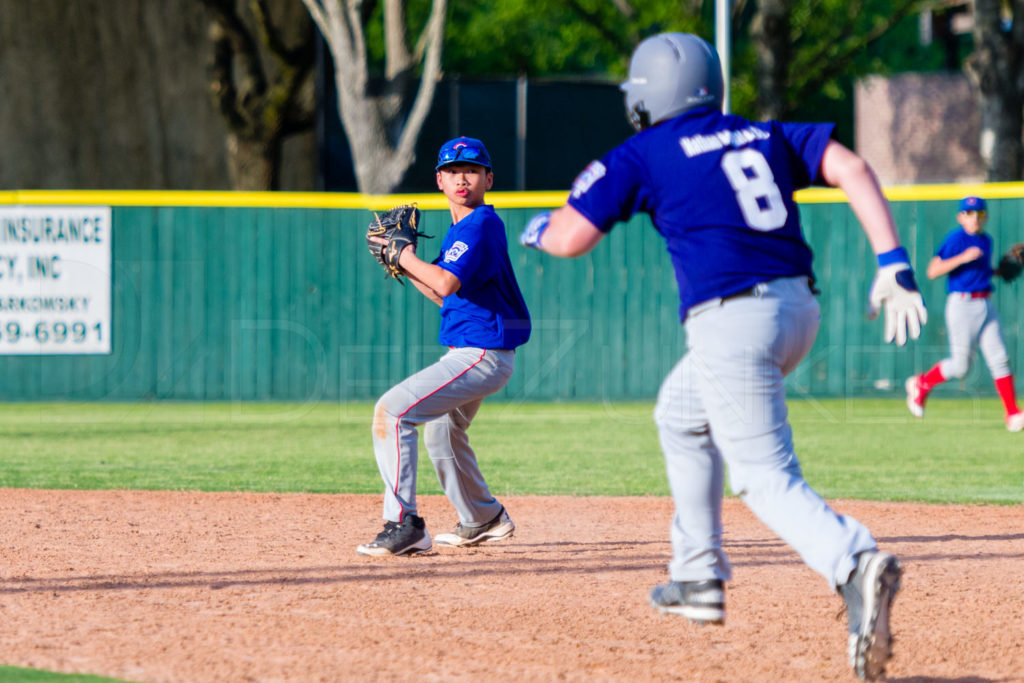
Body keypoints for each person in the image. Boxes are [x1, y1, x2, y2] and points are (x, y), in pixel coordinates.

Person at [519, 33, 925, 682]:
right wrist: (893, 262)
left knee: (763, 476)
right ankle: (696, 575)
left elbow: (569, 238)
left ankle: (853, 559)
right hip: (796, 310)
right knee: (680, 414)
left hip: (732, 321)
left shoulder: (643, 150)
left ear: (650, 94)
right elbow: (851, 166)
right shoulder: (764, 134)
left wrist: (535, 227)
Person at [357, 136, 531, 556]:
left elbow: (445, 281)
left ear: (488, 178)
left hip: (481, 353)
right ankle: (483, 517)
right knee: (442, 432)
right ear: (439, 180)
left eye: (471, 170)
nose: (462, 178)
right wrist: (404, 261)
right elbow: (443, 293)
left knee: (392, 411)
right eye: (452, 171)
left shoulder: (480, 225)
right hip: (477, 351)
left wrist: (405, 257)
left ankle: (404, 524)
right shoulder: (462, 230)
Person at [905, 196, 1024, 431]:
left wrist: (998, 272)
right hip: (962, 305)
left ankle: (1013, 414)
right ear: (960, 217)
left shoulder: (986, 240)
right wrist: (962, 257)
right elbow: (932, 270)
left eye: (979, 213)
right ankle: (921, 383)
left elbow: (979, 272)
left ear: (985, 216)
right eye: (969, 213)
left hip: (985, 302)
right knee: (961, 366)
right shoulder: (956, 239)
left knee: (1000, 358)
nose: (975, 218)